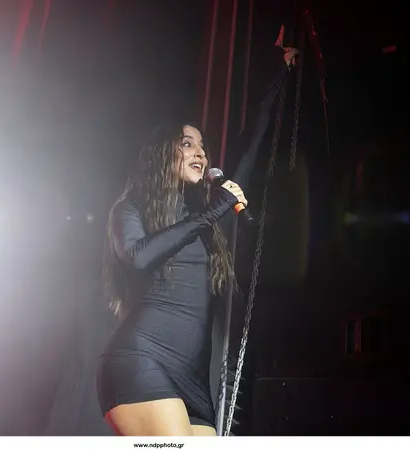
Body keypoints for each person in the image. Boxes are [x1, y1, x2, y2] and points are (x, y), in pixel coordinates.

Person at [97, 28, 298, 437]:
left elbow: (249, 142)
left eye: (202, 146)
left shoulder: (205, 211)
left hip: (192, 379)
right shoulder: (130, 207)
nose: (201, 153)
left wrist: (275, 72)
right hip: (142, 360)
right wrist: (211, 214)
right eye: (188, 144)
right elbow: (138, 256)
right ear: (162, 154)